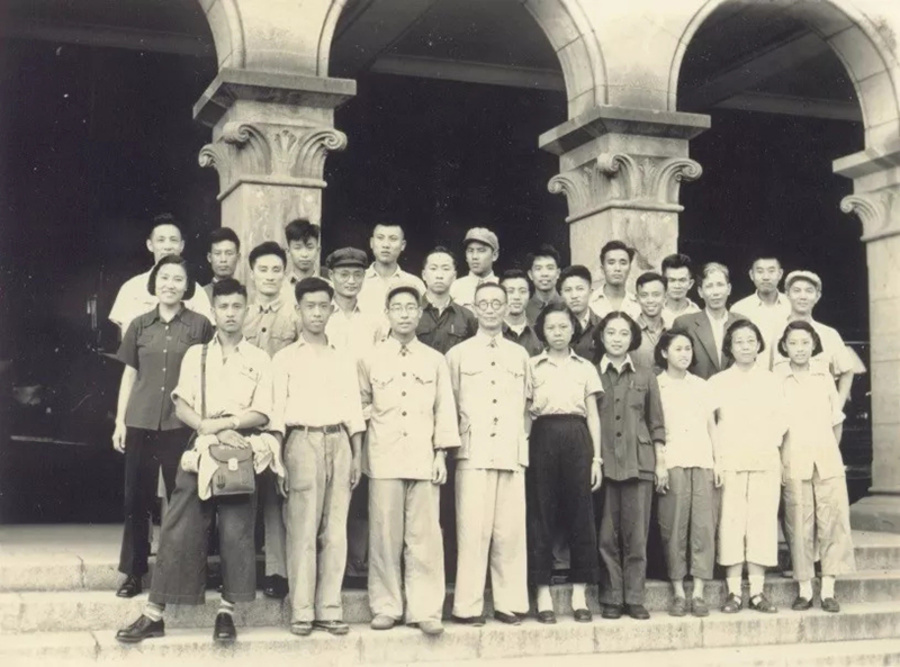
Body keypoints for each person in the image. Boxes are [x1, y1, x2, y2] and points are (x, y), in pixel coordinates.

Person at [115, 278, 275, 645]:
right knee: (178, 527)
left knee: (235, 531)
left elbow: (263, 411)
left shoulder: (259, 359)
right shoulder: (197, 354)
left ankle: (226, 613)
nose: (230, 313)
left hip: (239, 451)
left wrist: (228, 425)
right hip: (201, 448)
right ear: (213, 312)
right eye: (224, 307)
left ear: (246, 311)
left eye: (237, 306)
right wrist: (208, 427)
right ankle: (154, 614)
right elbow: (181, 404)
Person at [358, 282, 460, 636]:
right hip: (383, 457)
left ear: (419, 314)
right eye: (397, 308)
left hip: (422, 458)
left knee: (425, 537)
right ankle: (386, 606)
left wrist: (441, 454)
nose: (404, 314)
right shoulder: (370, 358)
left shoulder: (434, 360)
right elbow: (359, 405)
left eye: (410, 308)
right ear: (386, 314)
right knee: (384, 537)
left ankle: (425, 609)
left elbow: (444, 409)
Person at [111, 254, 214, 598]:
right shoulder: (139, 325)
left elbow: (209, 375)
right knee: (135, 499)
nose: (170, 284)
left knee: (186, 499)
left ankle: (189, 573)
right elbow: (129, 375)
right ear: (154, 283)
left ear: (187, 287)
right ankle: (134, 572)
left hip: (180, 424)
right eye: (164, 277)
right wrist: (120, 422)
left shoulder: (200, 325)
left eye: (177, 279)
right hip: (140, 421)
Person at [271, 277, 366, 636]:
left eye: (323, 306)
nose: (316, 313)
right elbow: (276, 414)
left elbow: (353, 410)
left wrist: (356, 455)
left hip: (338, 441)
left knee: (335, 531)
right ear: (298, 310)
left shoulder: (343, 357)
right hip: (301, 442)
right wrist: (279, 460)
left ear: (331, 310)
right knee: (302, 529)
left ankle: (329, 608)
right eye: (309, 306)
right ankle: (302, 610)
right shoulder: (284, 359)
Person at [445, 283, 531, 626]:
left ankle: (508, 603)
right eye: (484, 304)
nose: (492, 309)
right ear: (475, 308)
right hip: (474, 452)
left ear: (507, 307)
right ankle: (467, 606)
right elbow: (449, 404)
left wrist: (519, 440)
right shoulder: (459, 354)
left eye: (498, 303)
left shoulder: (519, 355)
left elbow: (528, 405)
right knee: (473, 531)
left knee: (509, 532)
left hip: (510, 452)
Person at [526, 302, 602, 624]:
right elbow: (526, 413)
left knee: (580, 512)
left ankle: (579, 593)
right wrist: (523, 449)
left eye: (563, 326)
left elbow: (593, 415)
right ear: (542, 332)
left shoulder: (585, 367)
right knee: (541, 513)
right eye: (551, 327)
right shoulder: (532, 366)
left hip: (577, 435)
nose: (557, 332)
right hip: (542, 435)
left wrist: (596, 458)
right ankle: (542, 592)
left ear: (573, 329)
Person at [708, 319, 787, 614]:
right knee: (731, 522)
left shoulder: (771, 381)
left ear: (759, 345)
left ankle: (756, 592)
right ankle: (733, 593)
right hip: (729, 460)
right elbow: (711, 424)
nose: (745, 346)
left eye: (750, 341)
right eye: (738, 341)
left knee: (761, 522)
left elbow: (781, 420)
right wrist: (717, 459)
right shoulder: (717, 382)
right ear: (729, 347)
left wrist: (769, 446)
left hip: (764, 459)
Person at [776, 321, 855, 613]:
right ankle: (805, 589)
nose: (799, 349)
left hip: (826, 457)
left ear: (814, 345)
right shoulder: (777, 377)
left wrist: (831, 451)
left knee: (832, 520)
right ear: (784, 346)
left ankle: (829, 589)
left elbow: (836, 419)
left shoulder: (823, 375)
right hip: (793, 457)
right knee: (799, 523)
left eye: (805, 343)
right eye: (793, 343)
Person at [594, 311, 666, 620]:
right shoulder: (591, 373)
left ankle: (635, 597)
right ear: (601, 336)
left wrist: (660, 463)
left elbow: (656, 422)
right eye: (611, 332)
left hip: (640, 462)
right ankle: (612, 597)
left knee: (637, 534)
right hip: (604, 462)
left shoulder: (645, 375)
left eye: (624, 333)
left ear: (633, 338)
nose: (617, 339)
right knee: (607, 535)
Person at [243, 241, 302, 600]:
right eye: (262, 270)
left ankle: (277, 571)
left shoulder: (295, 316)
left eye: (276, 270)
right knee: (242, 494)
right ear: (251, 273)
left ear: (285, 274)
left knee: (276, 499)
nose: (269, 276)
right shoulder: (242, 314)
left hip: (282, 419)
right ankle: (242, 569)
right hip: (246, 417)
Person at [654, 328, 719, 618]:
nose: (684, 354)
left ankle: (699, 592)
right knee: (674, 526)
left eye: (688, 349)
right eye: (678, 349)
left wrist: (718, 461)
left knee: (703, 526)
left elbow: (711, 426)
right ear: (664, 352)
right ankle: (679, 591)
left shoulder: (702, 386)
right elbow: (655, 429)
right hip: (673, 461)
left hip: (703, 460)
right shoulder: (657, 386)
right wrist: (660, 464)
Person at [109, 213, 212, 336]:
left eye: (173, 240)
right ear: (150, 245)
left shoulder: (196, 291)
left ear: (182, 246)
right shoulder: (131, 288)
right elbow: (127, 338)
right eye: (161, 240)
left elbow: (204, 336)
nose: (167, 247)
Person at [773, 271, 856, 405]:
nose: (803, 296)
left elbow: (847, 371)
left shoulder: (829, 334)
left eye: (809, 291)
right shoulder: (775, 332)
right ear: (787, 294)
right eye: (797, 291)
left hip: (820, 411)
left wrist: (837, 408)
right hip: (784, 411)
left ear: (817, 296)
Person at [672, 262, 741, 379]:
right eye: (709, 286)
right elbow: (675, 366)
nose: (715, 292)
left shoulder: (741, 322)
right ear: (700, 292)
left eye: (720, 285)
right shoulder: (685, 324)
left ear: (729, 289)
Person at [325, 247, 384, 361]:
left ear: (364, 276)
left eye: (357, 275)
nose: (351, 281)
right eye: (344, 275)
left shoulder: (373, 316)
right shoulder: (322, 314)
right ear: (331, 275)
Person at [357, 223, 426, 318]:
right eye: (380, 238)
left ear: (403, 245)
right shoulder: (356, 281)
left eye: (393, 239)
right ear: (371, 243)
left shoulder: (415, 283)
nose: (386, 245)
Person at [416, 246, 478, 354]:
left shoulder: (467, 316)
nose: (439, 276)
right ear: (424, 275)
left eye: (445, 269)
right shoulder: (411, 311)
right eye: (433, 269)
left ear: (454, 276)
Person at [731, 256, 791, 359]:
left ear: (780, 274)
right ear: (751, 275)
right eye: (760, 271)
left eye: (771, 271)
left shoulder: (791, 305)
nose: (766, 277)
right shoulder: (739, 309)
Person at [450, 227, 500, 312]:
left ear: (494, 255)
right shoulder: (454, 287)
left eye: (481, 251)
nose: (474, 256)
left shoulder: (502, 286)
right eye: (470, 251)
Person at [589, 240, 641, 320]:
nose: (617, 268)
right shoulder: (589, 302)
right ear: (602, 269)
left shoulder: (638, 305)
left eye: (623, 263)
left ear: (630, 268)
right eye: (611, 263)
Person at [558, 265, 601, 360]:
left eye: (580, 289)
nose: (574, 296)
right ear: (561, 294)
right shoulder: (553, 327)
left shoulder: (603, 327)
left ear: (591, 292)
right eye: (568, 290)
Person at [500, 269, 543, 357]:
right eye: (510, 291)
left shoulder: (538, 332)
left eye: (522, 291)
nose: (517, 297)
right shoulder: (492, 331)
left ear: (529, 294)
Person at [632, 272, 668, 373]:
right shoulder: (629, 332)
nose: (650, 300)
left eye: (656, 295)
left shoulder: (671, 331)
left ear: (665, 298)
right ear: (637, 299)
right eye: (644, 295)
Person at [282, 218, 324, 300]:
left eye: (310, 247)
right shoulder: (280, 287)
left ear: (318, 250)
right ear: (288, 251)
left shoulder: (330, 287)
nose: (304, 254)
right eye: (298, 248)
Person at [525, 244, 562, 325]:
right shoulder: (524, 310)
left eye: (550, 268)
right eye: (538, 268)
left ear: (558, 273)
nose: (544, 274)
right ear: (530, 274)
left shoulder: (568, 306)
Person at [661, 253, 700, 327]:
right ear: (663, 282)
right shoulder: (654, 313)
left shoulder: (699, 316)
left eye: (682, 280)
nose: (677, 286)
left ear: (690, 284)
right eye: (672, 280)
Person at [202, 227, 241, 302]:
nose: (223, 260)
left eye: (229, 253)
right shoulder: (200, 295)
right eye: (217, 253)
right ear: (209, 257)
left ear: (238, 257)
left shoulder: (244, 295)